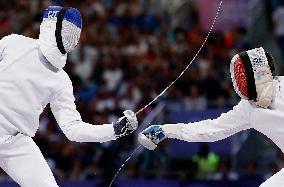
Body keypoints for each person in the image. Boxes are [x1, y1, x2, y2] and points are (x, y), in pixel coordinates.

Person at [0, 6, 138, 187]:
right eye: (70, 32)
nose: (73, 40)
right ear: (51, 27)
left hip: (15, 142)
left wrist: (114, 129)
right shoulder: (14, 43)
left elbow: (73, 130)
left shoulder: (61, 80)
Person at [139, 47, 284, 186]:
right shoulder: (248, 108)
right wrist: (167, 130)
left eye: (243, 75)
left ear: (260, 73)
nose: (239, 82)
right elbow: (212, 129)